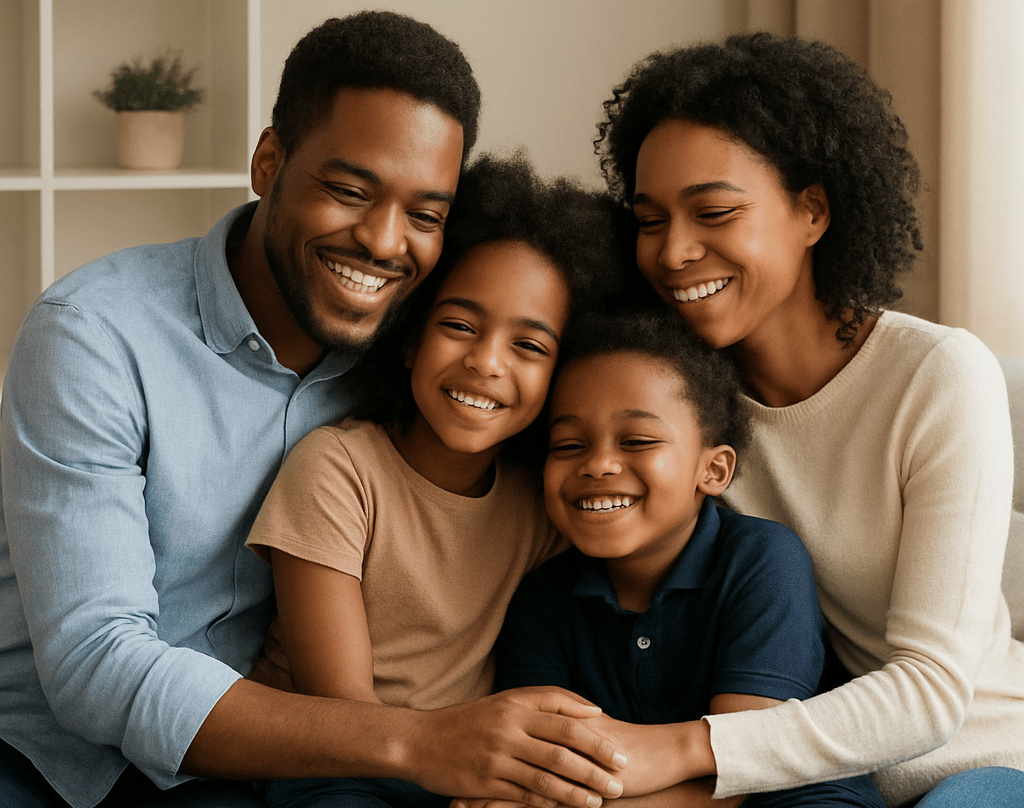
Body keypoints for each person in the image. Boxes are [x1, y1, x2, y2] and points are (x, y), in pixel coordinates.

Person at [0, 12, 627, 808]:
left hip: (248, 772)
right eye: (349, 190)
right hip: (49, 764)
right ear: (268, 162)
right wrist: (422, 743)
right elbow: (96, 667)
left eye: (425, 215)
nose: (384, 241)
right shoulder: (93, 335)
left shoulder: (426, 364)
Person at [592, 31, 1024, 807]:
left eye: (714, 212)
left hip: (985, 761)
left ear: (812, 211)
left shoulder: (937, 376)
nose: (674, 251)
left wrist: (684, 749)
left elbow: (932, 689)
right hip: (811, 784)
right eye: (650, 220)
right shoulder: (675, 414)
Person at [245, 153, 632, 808]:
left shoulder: (539, 501)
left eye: (529, 346)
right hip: (328, 766)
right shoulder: (338, 470)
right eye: (458, 326)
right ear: (408, 337)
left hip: (461, 776)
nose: (486, 362)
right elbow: (342, 709)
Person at [492, 306, 886, 808]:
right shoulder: (542, 600)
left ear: (714, 470)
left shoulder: (763, 562)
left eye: (637, 441)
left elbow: (743, 769)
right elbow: (544, 768)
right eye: (568, 445)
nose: (598, 464)